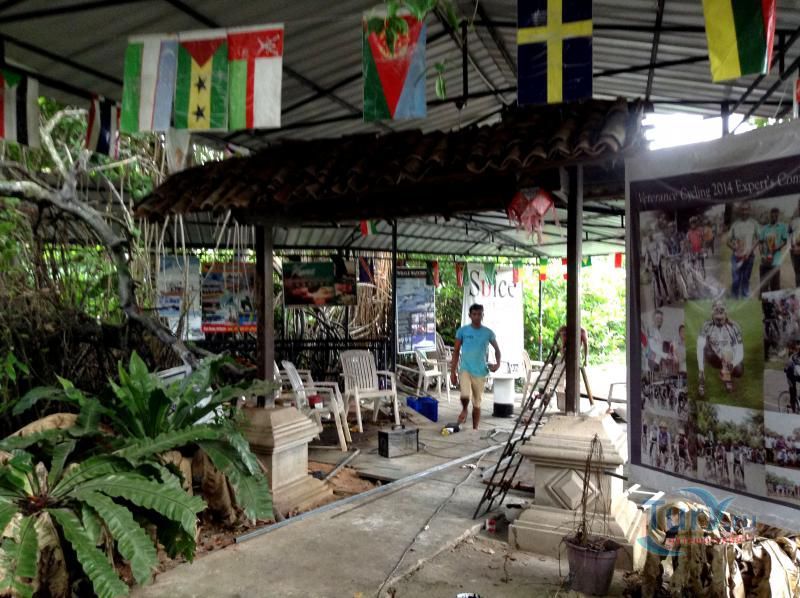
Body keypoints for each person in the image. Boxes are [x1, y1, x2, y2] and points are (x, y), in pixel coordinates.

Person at [450, 303, 501, 430]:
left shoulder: (488, 333)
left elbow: (497, 350)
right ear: (470, 315)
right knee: (465, 394)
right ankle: (464, 409)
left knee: (477, 403)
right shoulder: (462, 331)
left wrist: (497, 364)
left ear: (483, 315)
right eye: (474, 314)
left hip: (480, 371)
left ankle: (475, 429)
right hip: (465, 369)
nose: (477, 317)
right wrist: (453, 372)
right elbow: (456, 351)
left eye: (479, 314)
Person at [697, 300, 744, 395]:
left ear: (726, 314)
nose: (719, 320)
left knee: (739, 370)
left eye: (721, 313)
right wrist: (701, 369)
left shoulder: (734, 327)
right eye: (716, 314)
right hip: (711, 355)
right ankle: (703, 381)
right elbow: (699, 348)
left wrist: (732, 364)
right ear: (712, 314)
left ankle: (726, 376)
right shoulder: (707, 325)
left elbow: (740, 351)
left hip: (726, 356)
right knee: (705, 344)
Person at [727, 202, 759, 299]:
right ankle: (734, 299)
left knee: (746, 280)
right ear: (739, 211)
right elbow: (728, 241)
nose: (744, 212)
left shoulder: (754, 223)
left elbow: (759, 238)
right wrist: (735, 248)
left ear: (749, 210)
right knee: (736, 280)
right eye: (742, 210)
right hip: (736, 257)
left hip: (749, 257)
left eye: (746, 209)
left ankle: (745, 299)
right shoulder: (735, 224)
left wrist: (751, 250)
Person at [759, 207, 788, 295]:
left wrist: (777, 248)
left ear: (778, 216)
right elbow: (760, 243)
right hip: (764, 262)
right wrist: (762, 255)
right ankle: (764, 302)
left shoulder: (782, 227)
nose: (774, 217)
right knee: (763, 287)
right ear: (770, 216)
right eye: (772, 216)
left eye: (776, 216)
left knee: (775, 287)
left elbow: (785, 241)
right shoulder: (765, 228)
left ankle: (774, 302)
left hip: (775, 261)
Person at [784, 344, 800, 414]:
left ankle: (798, 401)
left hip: (796, 374)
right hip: (790, 375)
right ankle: (793, 407)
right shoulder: (794, 357)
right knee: (793, 389)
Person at [790, 199, 800, 287]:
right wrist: (793, 247)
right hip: (795, 252)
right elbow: (790, 235)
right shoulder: (793, 221)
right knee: (797, 275)